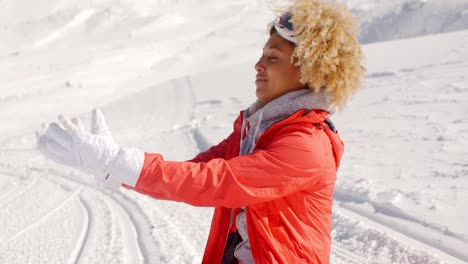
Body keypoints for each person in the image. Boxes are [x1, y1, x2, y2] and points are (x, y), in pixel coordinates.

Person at [36, 0, 364, 263]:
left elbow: (214, 183)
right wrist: (112, 168)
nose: (258, 65)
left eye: (273, 58)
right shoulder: (258, 130)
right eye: (262, 54)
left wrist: (117, 163)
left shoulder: (305, 146)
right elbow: (193, 173)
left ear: (310, 70)